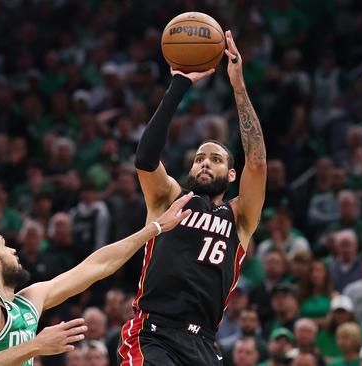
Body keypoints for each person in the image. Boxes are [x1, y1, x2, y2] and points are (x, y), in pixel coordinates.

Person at [122, 31, 266, 366]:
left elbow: (257, 163)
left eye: (216, 159)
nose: (204, 162)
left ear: (232, 176)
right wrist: (178, 86)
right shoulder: (169, 198)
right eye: (200, 157)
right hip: (153, 333)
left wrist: (238, 87)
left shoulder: (240, 217)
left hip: (204, 344)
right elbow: (144, 159)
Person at [0, 193, 193, 366]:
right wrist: (36, 346)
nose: (13, 250)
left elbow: (97, 265)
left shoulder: (27, 302)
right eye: (4, 246)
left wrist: (155, 228)